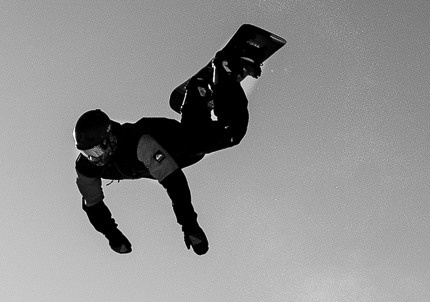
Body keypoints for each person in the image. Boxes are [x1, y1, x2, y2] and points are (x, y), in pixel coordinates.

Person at [74, 26, 284, 255]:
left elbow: (174, 183)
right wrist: (112, 234)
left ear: (110, 137)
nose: (95, 158)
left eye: (96, 150)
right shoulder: (87, 168)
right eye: (88, 153)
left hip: (176, 140)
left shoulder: (139, 145)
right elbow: (93, 206)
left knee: (231, 132)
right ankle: (198, 92)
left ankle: (225, 67)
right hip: (185, 150)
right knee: (197, 139)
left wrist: (189, 225)